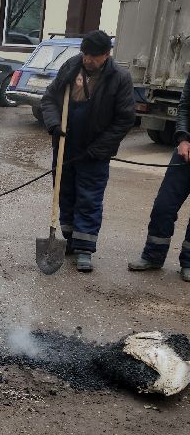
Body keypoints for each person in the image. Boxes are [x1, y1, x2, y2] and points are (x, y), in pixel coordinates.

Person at [41, 29, 136, 273]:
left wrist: (100, 147)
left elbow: (125, 119)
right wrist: (54, 126)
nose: (87, 59)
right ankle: (70, 240)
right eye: (85, 54)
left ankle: (85, 249)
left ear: (106, 54)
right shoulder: (71, 67)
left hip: (96, 150)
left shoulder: (119, 78)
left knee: (90, 198)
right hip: (66, 145)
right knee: (65, 193)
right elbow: (50, 99)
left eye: (93, 56)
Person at [128, 72, 190, 282]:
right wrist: (182, 139)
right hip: (185, 154)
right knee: (163, 207)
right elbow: (184, 108)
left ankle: (189, 263)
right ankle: (153, 257)